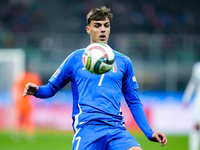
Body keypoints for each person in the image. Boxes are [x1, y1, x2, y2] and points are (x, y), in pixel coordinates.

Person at [23, 6, 167, 150]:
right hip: (87, 129)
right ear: (88, 29)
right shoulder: (75, 58)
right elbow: (51, 88)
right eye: (97, 26)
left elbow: (133, 100)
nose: (103, 29)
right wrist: (37, 90)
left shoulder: (124, 62)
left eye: (106, 25)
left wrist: (149, 133)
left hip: (116, 129)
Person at [12, 63, 42, 139]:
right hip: (28, 102)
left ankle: (16, 134)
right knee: (27, 119)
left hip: (22, 101)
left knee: (20, 119)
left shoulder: (22, 78)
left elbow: (16, 89)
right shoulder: (33, 78)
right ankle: (28, 135)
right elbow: (38, 88)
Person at [182, 62, 200, 150]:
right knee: (196, 126)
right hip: (199, 99)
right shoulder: (197, 67)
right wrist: (187, 97)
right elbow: (192, 83)